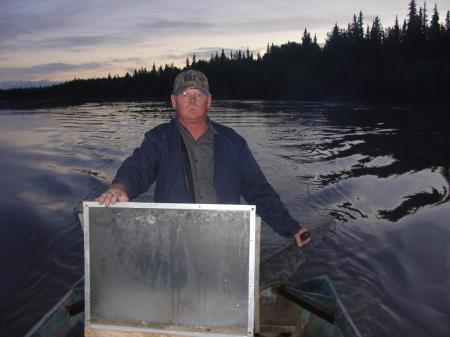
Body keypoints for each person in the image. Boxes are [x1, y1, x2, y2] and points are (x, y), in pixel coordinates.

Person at [96, 70, 311, 247]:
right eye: (185, 93)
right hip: (174, 243)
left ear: (208, 101)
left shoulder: (233, 142)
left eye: (199, 94)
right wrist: (121, 187)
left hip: (224, 242)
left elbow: (259, 190)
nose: (192, 99)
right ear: (173, 101)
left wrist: (291, 228)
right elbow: (138, 167)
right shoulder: (158, 139)